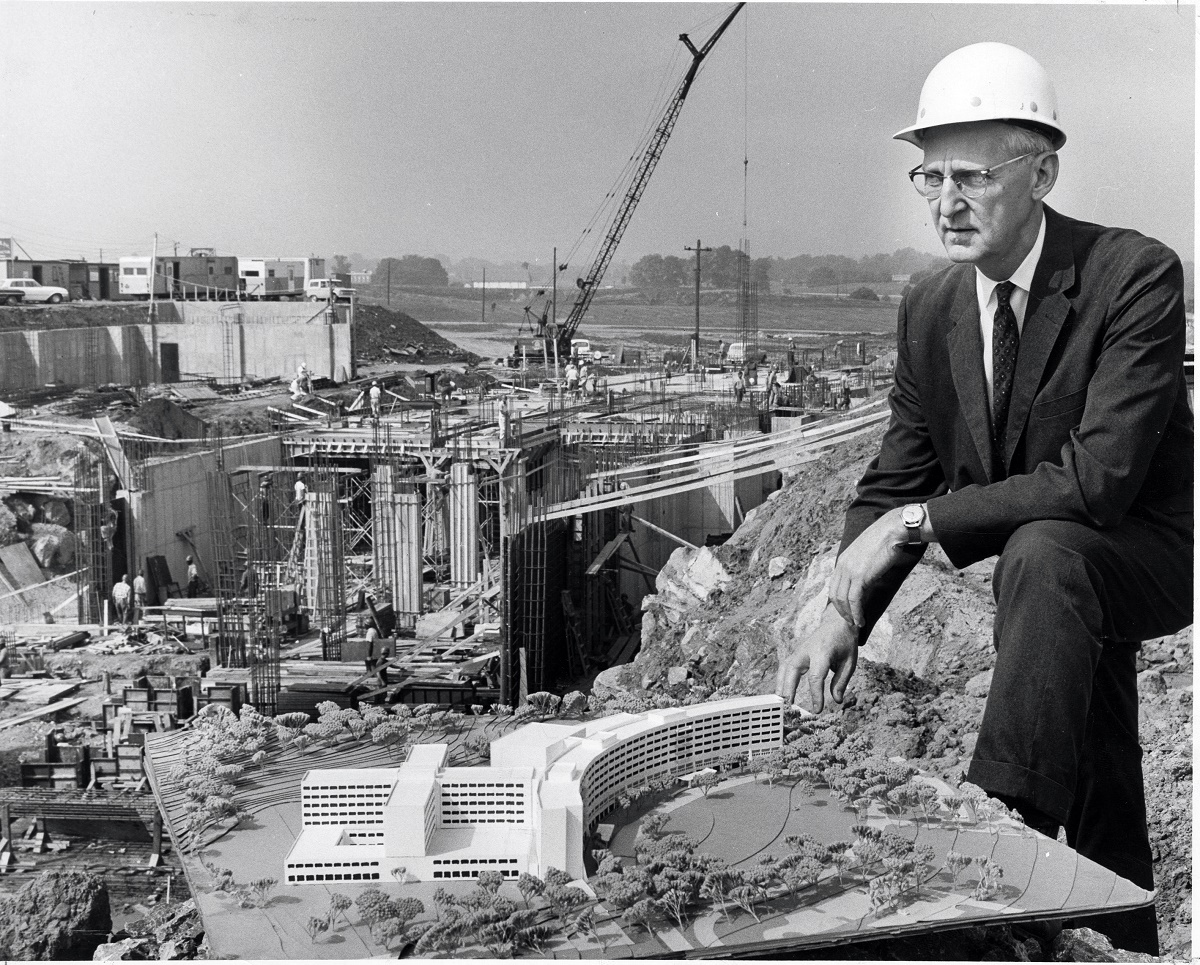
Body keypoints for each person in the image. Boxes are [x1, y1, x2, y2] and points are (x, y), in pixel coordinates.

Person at [775, 43, 1191, 955]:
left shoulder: (1135, 276)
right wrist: (841, 606)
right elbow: (895, 478)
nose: (945, 201)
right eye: (929, 176)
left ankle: (998, 849)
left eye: (971, 175)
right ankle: (1121, 934)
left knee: (1047, 552)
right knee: (1098, 747)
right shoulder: (930, 307)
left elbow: (1100, 478)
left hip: (1145, 550)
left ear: (1041, 172)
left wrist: (922, 524)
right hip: (1053, 584)